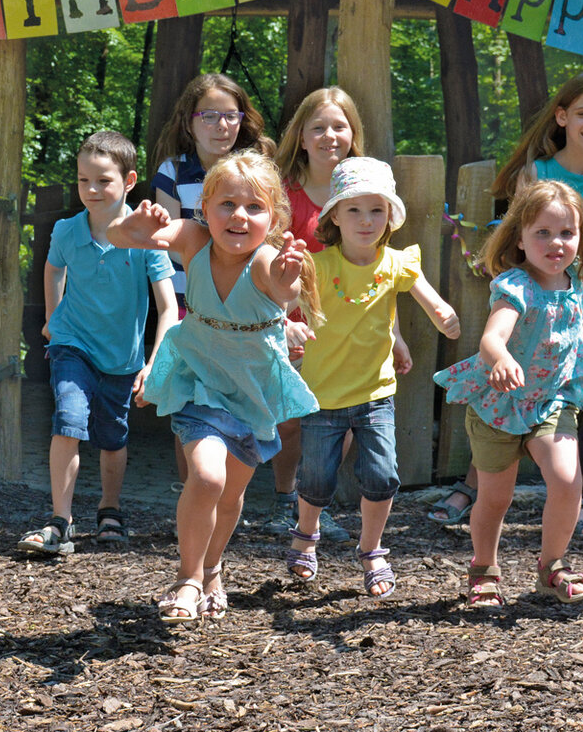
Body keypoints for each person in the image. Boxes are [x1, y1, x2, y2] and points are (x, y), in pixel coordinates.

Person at [111, 151, 319, 624]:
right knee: (206, 477)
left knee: (230, 498)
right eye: (226, 204)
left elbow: (283, 290)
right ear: (203, 208)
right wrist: (136, 228)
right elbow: (119, 235)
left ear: (273, 219)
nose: (239, 216)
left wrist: (289, 282)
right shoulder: (191, 239)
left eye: (254, 208)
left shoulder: (268, 260)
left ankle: (212, 569)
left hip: (250, 391)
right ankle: (186, 578)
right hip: (199, 378)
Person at [431, 73, 583, 539]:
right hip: (531, 309)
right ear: (562, 116)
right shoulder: (538, 173)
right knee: (505, 400)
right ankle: (473, 485)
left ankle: (572, 495)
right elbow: (524, 233)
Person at [434, 181, 583, 609]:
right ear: (520, 238)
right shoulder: (516, 285)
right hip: (499, 406)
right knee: (495, 497)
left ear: (581, 240)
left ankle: (551, 565)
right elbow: (491, 338)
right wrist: (499, 358)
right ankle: (484, 569)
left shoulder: (574, 281)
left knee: (567, 480)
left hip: (551, 401)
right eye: (542, 233)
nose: (556, 243)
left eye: (566, 234)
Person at [285, 157, 460, 598]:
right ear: (335, 217)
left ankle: (373, 550)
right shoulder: (318, 266)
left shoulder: (397, 262)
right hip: (322, 395)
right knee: (317, 480)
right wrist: (287, 326)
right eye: (354, 210)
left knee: (382, 477)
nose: (366, 221)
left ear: (389, 217)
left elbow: (426, 298)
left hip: (376, 393)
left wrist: (442, 315)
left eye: (376, 210)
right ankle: (306, 537)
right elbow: (283, 303)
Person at [18, 132, 177, 556]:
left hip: (123, 359)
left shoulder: (146, 237)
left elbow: (168, 308)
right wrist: (53, 320)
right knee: (68, 419)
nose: (91, 190)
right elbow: (53, 271)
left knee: (113, 437)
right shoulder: (67, 231)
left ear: (129, 180)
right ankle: (60, 521)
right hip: (73, 345)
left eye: (103, 181)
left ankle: (110, 510)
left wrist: (155, 364)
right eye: (83, 180)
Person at [262, 86, 376, 543]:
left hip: (351, 326)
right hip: (293, 321)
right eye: (319, 127)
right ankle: (281, 498)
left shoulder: (367, 189)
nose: (330, 135)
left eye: (339, 126)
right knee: (290, 420)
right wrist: (281, 317)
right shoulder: (283, 192)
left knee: (342, 422)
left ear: (353, 133)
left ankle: (311, 510)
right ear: (302, 137)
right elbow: (265, 256)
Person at [149, 72, 273, 482]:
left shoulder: (256, 169)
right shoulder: (173, 171)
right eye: (210, 116)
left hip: (245, 307)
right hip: (189, 303)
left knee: (240, 396)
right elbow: (164, 241)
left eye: (231, 116)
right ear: (190, 122)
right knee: (189, 398)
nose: (221, 125)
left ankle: (231, 492)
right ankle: (193, 491)